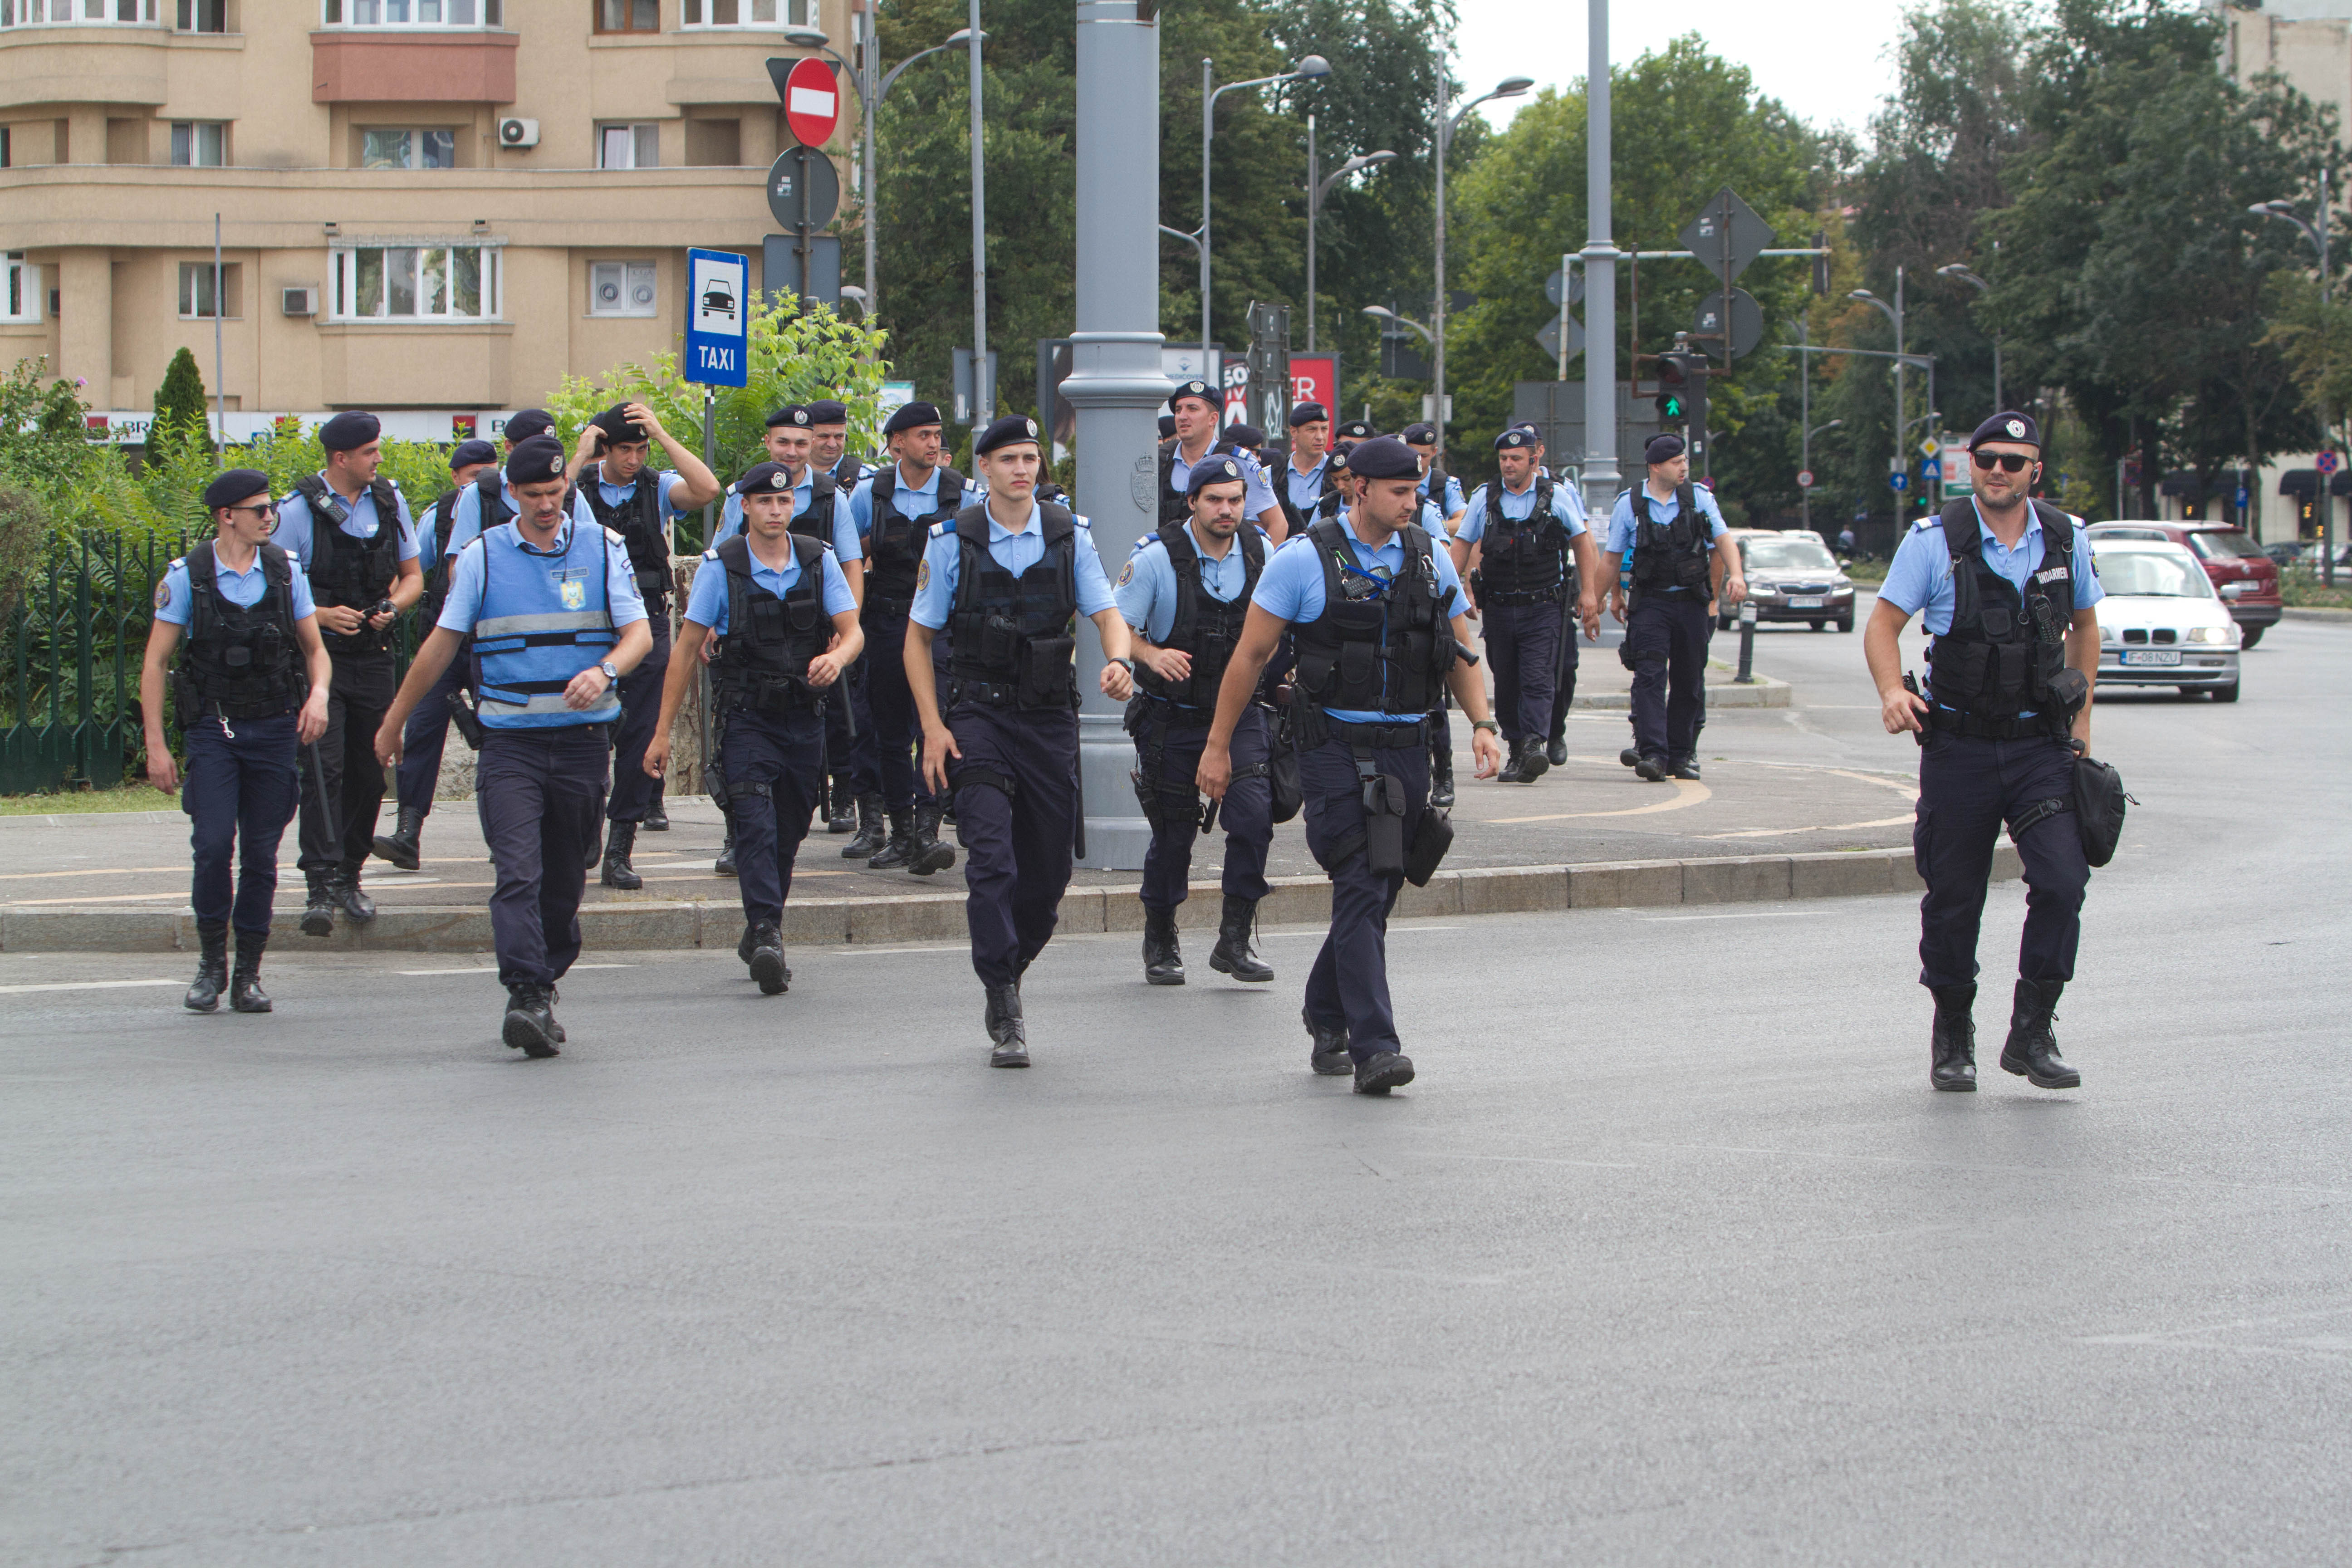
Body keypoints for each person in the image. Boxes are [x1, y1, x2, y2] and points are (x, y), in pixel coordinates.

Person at [1198, 436, 1503, 1095]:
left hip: (1407, 747)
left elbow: (1456, 646)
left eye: (1416, 491)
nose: (1410, 503)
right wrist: (1219, 746)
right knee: (1363, 882)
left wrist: (1481, 723)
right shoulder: (1301, 559)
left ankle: (1325, 1008)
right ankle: (1376, 1047)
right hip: (1331, 749)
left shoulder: (1427, 557)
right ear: (1356, 489)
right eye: (1398, 492)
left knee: (1383, 888)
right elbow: (1250, 658)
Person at [375, 435, 653, 1056]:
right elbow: (441, 646)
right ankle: (526, 993)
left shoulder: (604, 549)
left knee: (561, 885)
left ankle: (545, 980)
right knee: (517, 873)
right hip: (510, 746)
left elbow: (639, 634)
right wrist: (395, 721)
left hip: (582, 743)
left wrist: (605, 671)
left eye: (557, 493)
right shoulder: (483, 556)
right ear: (511, 497)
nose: (549, 506)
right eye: (535, 496)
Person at [1864, 412, 2102, 1094]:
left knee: (2063, 881)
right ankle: (1953, 1031)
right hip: (1960, 748)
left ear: (2035, 472)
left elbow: (2086, 626)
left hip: (2040, 747)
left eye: (2012, 460)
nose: (1997, 470)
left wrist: (2083, 725)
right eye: (1986, 458)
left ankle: (2032, 1031)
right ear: (1971, 464)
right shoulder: (1934, 542)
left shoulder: (2065, 538)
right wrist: (1891, 691)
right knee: (1954, 898)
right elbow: (1884, 625)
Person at [905, 414, 1133, 1067]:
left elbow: (1108, 616)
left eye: (1030, 458)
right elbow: (918, 641)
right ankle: (1002, 994)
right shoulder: (952, 540)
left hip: (1045, 719)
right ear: (984, 468)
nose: (1022, 469)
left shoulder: (1069, 537)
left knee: (1050, 871)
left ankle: (1011, 963)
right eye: (1008, 459)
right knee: (992, 860)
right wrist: (932, 727)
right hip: (977, 716)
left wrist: (1119, 661)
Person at [642, 462, 861, 993]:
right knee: (756, 828)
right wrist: (662, 732)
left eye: (784, 503)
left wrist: (839, 660)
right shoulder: (723, 566)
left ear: (795, 507)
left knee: (788, 832)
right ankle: (766, 931)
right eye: (764, 502)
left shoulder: (818, 560)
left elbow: (852, 631)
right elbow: (687, 650)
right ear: (745, 507)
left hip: (804, 719)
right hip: (746, 720)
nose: (775, 511)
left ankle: (763, 925)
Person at [142, 470, 333, 1014]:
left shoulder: (285, 572)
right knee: (211, 846)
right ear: (227, 516)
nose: (270, 517)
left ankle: (249, 971)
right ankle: (211, 965)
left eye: (271, 508)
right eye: (259, 510)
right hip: (214, 729)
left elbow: (316, 652)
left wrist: (318, 695)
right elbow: (155, 663)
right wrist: (157, 746)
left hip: (274, 727)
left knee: (260, 855)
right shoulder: (188, 576)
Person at [1117, 455, 1276, 988]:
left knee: (1254, 819)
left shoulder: (1261, 552)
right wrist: (1148, 654)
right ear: (1192, 502)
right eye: (1215, 500)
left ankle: (1234, 939)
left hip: (1241, 717)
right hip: (1172, 719)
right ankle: (1160, 933)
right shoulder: (1158, 558)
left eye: (1236, 499)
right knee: (1174, 836)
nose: (1227, 509)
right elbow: (1118, 627)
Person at [273, 411, 423, 937]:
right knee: (323, 770)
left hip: (374, 656)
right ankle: (319, 882)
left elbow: (413, 576)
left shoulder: (389, 500)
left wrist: (394, 607)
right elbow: (278, 591)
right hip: (320, 660)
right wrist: (320, 615)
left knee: (369, 768)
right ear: (342, 458)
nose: (379, 459)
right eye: (370, 452)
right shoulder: (296, 512)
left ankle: (350, 873)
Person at [709, 405, 866, 871]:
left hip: (810, 640)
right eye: (784, 443)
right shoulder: (744, 493)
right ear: (768, 444)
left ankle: (816, 813)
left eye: (801, 443)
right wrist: (713, 626)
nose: (793, 452)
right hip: (748, 638)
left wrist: (846, 631)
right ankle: (737, 834)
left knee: (817, 731)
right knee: (735, 742)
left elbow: (852, 564)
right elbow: (720, 562)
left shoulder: (830, 497)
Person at [575, 402, 720, 889]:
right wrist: (579, 456)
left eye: (640, 449)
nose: (634, 459)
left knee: (642, 735)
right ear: (604, 448)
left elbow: (706, 489)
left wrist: (661, 435)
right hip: (590, 627)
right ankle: (585, 827)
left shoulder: (655, 487)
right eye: (625, 450)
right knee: (588, 734)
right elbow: (534, 503)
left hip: (647, 621)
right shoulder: (577, 488)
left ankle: (620, 847)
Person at [848, 400, 975, 875]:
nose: (933, 443)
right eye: (923, 435)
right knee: (889, 730)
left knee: (936, 725)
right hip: (885, 621)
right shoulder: (870, 493)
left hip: (940, 626)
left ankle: (928, 829)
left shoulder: (963, 494)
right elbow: (845, 553)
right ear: (896, 442)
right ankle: (900, 831)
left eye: (937, 434)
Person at [372, 436, 498, 872]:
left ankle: (505, 836)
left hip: (491, 645)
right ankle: (408, 832)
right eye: (471, 475)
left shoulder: (509, 503)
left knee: (500, 740)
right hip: (443, 642)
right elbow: (408, 570)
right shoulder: (441, 514)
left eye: (487, 472)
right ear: (455, 477)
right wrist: (383, 610)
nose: (479, 482)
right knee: (423, 730)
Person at [1455, 427, 1599, 782]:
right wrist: (1449, 588)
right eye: (1504, 458)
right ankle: (1517, 748)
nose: (1509, 465)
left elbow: (1582, 542)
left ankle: (1534, 744)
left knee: (1538, 678)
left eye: (1516, 459)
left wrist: (1590, 592)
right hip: (1501, 607)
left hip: (1543, 605)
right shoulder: (1484, 498)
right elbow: (1463, 543)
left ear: (1534, 459)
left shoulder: (1556, 495)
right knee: (1506, 681)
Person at [1601, 435, 1744, 782]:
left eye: (1685, 461)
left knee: (1689, 679)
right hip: (1650, 603)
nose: (1685, 467)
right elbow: (1612, 558)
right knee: (1649, 676)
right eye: (1677, 462)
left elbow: (1722, 540)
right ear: (1655, 467)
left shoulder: (1699, 499)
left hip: (1690, 603)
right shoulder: (1630, 503)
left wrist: (1735, 576)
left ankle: (1681, 754)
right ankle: (1653, 753)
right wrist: (1596, 600)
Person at [1158, 379, 1287, 542]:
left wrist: (1262, 566)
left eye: (1192, 409)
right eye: (1178, 410)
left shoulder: (1238, 462)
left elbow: (1278, 524)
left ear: (1213, 419)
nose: (1183, 416)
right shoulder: (1161, 461)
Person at [1275, 401, 1335, 539]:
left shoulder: (1337, 474)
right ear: (1294, 432)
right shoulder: (1273, 475)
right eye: (1312, 430)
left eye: (1324, 429)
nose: (1320, 436)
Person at [1403, 421, 1468, 535]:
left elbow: (1464, 522)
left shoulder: (1446, 485)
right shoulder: (1391, 482)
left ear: (1434, 452)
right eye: (1415, 455)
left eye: (1424, 456)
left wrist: (1428, 528)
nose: (1419, 461)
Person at [804, 397, 866, 492]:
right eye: (824, 436)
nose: (832, 445)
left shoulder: (863, 478)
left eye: (839, 437)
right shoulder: (791, 473)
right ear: (808, 437)